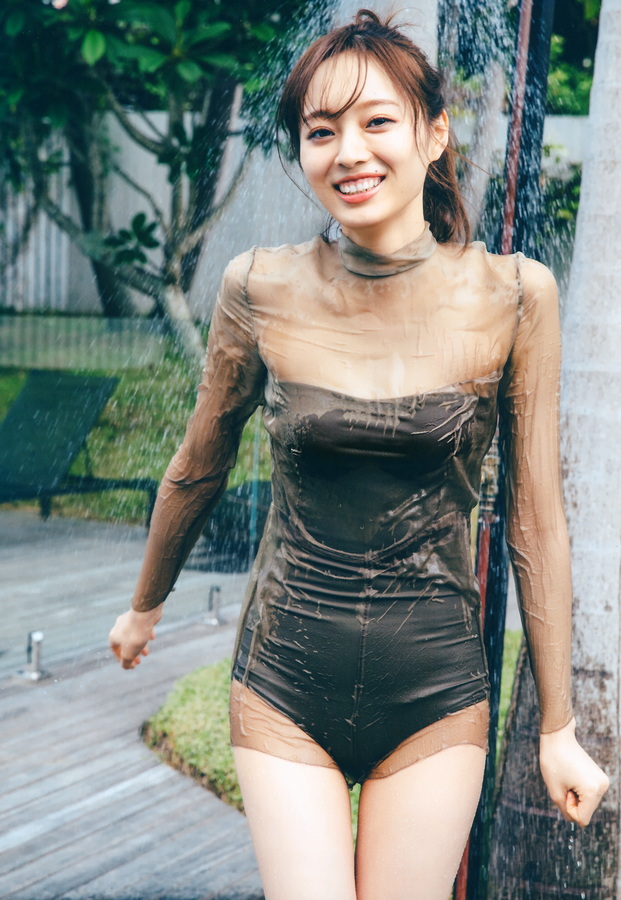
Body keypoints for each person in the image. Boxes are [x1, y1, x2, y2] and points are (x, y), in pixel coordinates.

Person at [109, 10, 609, 899]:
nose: (348, 152)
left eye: (376, 122)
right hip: (283, 682)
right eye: (320, 131)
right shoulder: (258, 286)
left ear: (434, 133)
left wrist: (556, 728)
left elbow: (536, 522)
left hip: (435, 696)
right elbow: (198, 464)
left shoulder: (512, 295)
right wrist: (145, 606)